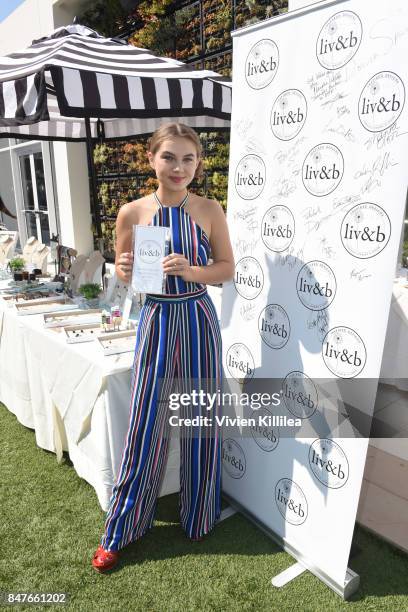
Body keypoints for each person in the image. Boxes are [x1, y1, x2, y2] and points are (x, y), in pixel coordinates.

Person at [92, 122, 234, 572]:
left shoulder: (210, 209)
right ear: (151, 158)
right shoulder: (131, 212)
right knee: (145, 422)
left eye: (189, 159)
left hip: (197, 318)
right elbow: (124, 274)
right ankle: (123, 528)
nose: (179, 167)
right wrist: (124, 269)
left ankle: (199, 514)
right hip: (155, 320)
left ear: (198, 163)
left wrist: (193, 271)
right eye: (169, 157)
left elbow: (227, 268)